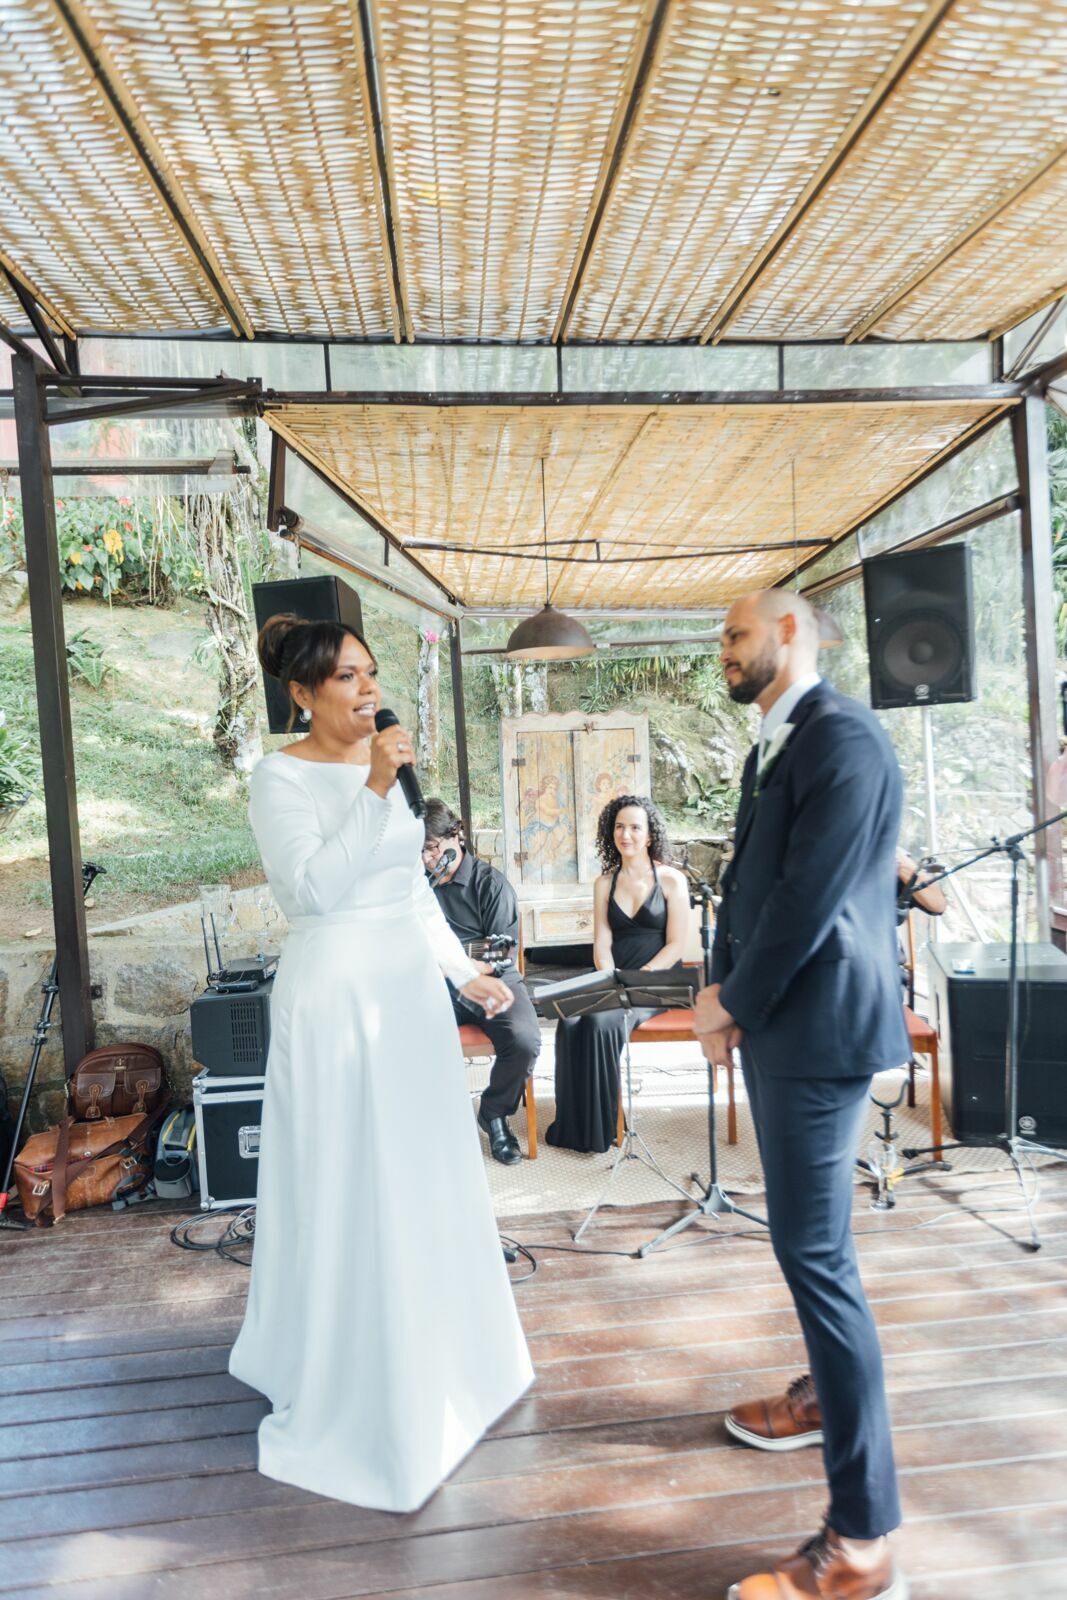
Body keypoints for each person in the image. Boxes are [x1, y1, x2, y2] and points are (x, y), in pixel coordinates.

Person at [229, 614, 533, 1513]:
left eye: (370, 673)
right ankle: (339, 1366)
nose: (367, 690)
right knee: (347, 1176)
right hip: (334, 996)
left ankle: (444, 1351)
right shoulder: (278, 778)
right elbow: (312, 889)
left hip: (403, 995)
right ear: (300, 693)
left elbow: (411, 891)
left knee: (419, 1170)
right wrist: (371, 782)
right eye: (346, 678)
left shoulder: (390, 775)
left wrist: (465, 972)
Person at [693, 591, 908, 1600]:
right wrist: (720, 989)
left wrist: (730, 999)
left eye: (735, 633)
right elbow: (753, 880)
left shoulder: (845, 738)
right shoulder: (776, 742)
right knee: (805, 1243)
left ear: (791, 634)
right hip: (782, 1019)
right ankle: (823, 1395)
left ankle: (861, 1542)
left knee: (815, 1254)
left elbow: (807, 900)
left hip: (818, 1030)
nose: (722, 651)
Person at [545, 795, 690, 1153]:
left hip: (660, 980)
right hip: (616, 978)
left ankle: (605, 1126)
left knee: (600, 1023)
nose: (626, 834)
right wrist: (610, 980)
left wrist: (636, 979)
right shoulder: (604, 883)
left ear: (650, 835)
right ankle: (575, 1126)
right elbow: (602, 944)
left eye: (635, 827)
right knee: (571, 1019)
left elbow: (676, 945)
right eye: (619, 827)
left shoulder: (672, 880)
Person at [422, 798, 542, 1166]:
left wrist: (458, 967)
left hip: (492, 978)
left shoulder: (491, 885)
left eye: (430, 849)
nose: (426, 860)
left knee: (524, 1041)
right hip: (434, 986)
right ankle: (429, 1123)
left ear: (455, 836)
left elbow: (497, 955)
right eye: (419, 852)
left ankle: (493, 1112)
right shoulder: (416, 890)